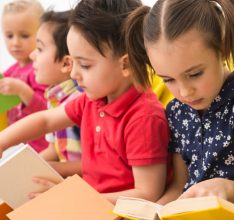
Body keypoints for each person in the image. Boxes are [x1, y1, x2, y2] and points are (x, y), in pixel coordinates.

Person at [0, 0, 170, 203]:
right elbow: (45, 121)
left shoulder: (144, 117)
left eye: (84, 65)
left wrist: (76, 199)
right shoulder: (91, 100)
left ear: (125, 64)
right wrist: (2, 141)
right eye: (72, 62)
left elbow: (147, 194)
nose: (73, 74)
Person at [124, 0, 234, 207]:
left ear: (223, 49)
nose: (184, 92)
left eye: (195, 74)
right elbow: (180, 186)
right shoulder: (177, 111)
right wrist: (155, 211)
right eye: (168, 79)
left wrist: (224, 188)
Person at [28, 10, 82, 178]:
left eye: (39, 49)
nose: (31, 55)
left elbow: (95, 163)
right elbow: (54, 149)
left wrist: (55, 169)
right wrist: (26, 168)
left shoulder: (80, 100)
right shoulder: (54, 99)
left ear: (66, 63)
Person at [0, 0, 48, 152]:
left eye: (24, 35)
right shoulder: (9, 73)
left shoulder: (42, 71)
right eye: (9, 35)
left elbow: (47, 111)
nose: (15, 42)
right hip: (14, 147)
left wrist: (22, 90)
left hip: (39, 149)